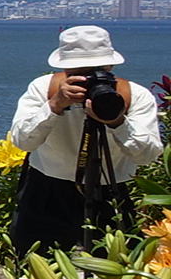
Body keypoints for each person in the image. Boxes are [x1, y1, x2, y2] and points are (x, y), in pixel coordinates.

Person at [8, 24, 162, 256]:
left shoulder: (133, 96)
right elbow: (22, 141)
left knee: (118, 273)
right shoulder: (44, 89)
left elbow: (147, 155)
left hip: (110, 190)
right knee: (34, 266)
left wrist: (117, 121)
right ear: (64, 69)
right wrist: (54, 105)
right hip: (47, 190)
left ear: (110, 66)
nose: (88, 79)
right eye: (78, 72)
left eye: (96, 70)